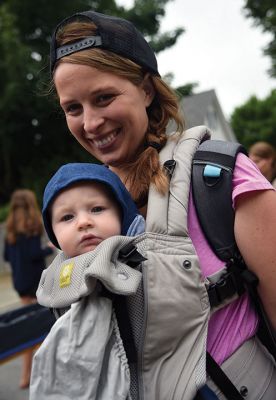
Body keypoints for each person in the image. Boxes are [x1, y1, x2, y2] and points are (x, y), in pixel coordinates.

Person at [46, 10, 276, 399]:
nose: (90, 123)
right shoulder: (86, 209)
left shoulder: (221, 179)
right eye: (73, 108)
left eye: (104, 98)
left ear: (147, 90)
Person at [30, 162, 145, 399]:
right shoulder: (59, 278)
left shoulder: (144, 257)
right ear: (53, 233)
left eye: (97, 209)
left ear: (122, 212)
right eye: (67, 217)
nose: (83, 222)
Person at [3, 189, 54, 389]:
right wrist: (48, 248)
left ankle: (26, 376)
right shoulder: (32, 226)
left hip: (20, 283)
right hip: (35, 283)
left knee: (28, 329)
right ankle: (40, 374)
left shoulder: (11, 230)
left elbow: (7, 257)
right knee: (38, 330)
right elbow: (34, 253)